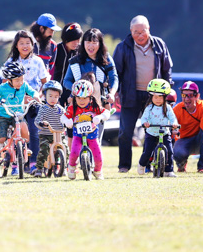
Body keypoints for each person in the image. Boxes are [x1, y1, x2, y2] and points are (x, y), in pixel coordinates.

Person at [113, 15, 173, 173]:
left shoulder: (159, 44)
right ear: (130, 31)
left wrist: (169, 88)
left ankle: (150, 164)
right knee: (126, 132)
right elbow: (116, 72)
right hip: (130, 94)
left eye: (143, 31)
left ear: (149, 30)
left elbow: (167, 69)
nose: (140, 35)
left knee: (154, 131)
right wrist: (115, 92)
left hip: (155, 96)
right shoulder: (123, 47)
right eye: (136, 32)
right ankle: (124, 165)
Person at [6, 30, 49, 173]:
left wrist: (37, 96)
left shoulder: (38, 61)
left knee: (34, 132)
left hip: (34, 103)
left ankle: (34, 163)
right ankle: (14, 164)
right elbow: (5, 85)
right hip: (15, 103)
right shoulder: (10, 62)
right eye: (21, 43)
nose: (25, 46)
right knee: (14, 132)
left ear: (32, 44)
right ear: (16, 45)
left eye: (27, 43)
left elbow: (45, 83)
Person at [63, 28, 118, 135]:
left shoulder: (106, 59)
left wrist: (111, 93)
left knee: (96, 139)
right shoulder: (75, 61)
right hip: (79, 104)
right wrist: (77, 88)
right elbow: (66, 81)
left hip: (99, 105)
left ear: (100, 44)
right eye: (88, 42)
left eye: (94, 42)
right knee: (79, 139)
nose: (91, 46)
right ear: (83, 43)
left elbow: (114, 78)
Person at [0, 61, 37, 172]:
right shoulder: (3, 87)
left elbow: (32, 92)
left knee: (25, 131)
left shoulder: (24, 85)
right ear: (9, 80)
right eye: (17, 80)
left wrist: (36, 97)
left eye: (22, 79)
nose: (20, 82)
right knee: (2, 138)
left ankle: (23, 147)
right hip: (4, 115)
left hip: (18, 115)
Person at [61, 80, 111, 180]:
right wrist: (67, 121)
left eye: (84, 98)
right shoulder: (72, 108)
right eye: (79, 98)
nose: (81, 101)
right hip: (78, 135)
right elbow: (63, 116)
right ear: (75, 97)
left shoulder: (94, 106)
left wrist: (100, 117)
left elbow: (106, 112)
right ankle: (71, 168)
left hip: (92, 135)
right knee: (74, 152)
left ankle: (97, 171)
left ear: (90, 97)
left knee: (98, 156)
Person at [137, 79, 179, 177]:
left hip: (164, 132)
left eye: (161, 96)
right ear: (151, 97)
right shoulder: (149, 108)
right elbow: (143, 118)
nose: (158, 99)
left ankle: (169, 171)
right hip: (151, 132)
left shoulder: (167, 108)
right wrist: (145, 123)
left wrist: (174, 124)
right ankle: (142, 165)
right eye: (155, 97)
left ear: (165, 97)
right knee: (147, 152)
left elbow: (173, 118)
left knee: (169, 151)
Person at [172, 81, 203, 173]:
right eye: (184, 95)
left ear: (197, 96)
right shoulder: (177, 109)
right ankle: (181, 164)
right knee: (178, 152)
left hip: (201, 140)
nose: (186, 98)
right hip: (184, 140)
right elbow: (170, 123)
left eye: (190, 95)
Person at [33, 80, 66, 177]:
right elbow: (37, 120)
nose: (53, 99)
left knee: (65, 148)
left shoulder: (60, 109)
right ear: (45, 95)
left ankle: (63, 167)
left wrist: (68, 122)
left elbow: (66, 117)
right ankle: (39, 168)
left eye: (56, 97)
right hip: (46, 134)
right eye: (50, 96)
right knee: (44, 148)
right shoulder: (43, 108)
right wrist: (41, 123)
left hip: (58, 134)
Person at [53, 22, 84, 99]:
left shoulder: (82, 51)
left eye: (78, 39)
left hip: (74, 92)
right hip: (56, 91)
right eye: (72, 40)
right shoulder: (57, 49)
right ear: (65, 39)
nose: (76, 43)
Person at [31, 13, 61, 77]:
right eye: (50, 31)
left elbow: (50, 67)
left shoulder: (53, 46)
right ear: (41, 29)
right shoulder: (27, 43)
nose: (52, 35)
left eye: (53, 32)